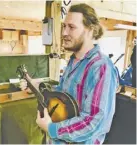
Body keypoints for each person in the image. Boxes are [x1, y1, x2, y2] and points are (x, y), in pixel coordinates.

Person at [34, 3, 118, 144]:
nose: (64, 33)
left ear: (90, 30)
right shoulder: (73, 61)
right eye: (64, 26)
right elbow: (63, 96)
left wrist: (52, 129)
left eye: (71, 27)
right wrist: (39, 86)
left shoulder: (101, 67)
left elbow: (93, 122)